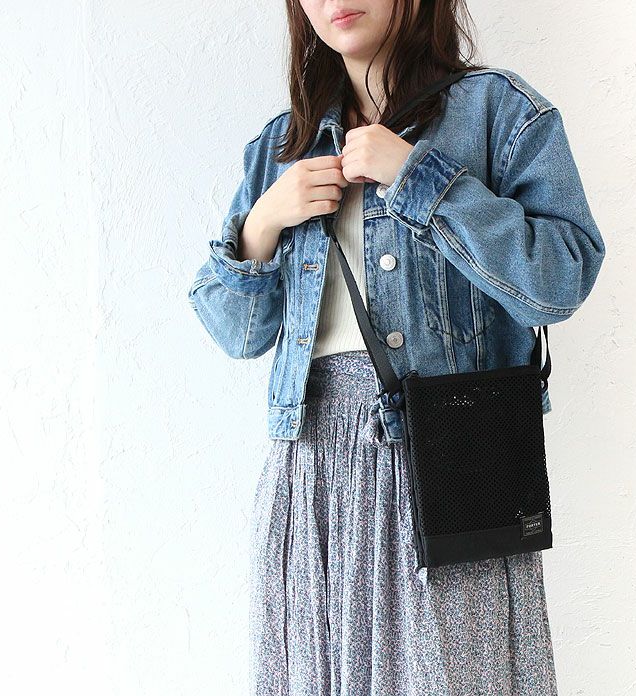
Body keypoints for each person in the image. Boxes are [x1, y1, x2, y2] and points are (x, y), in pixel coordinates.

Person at [188, 1, 606, 693]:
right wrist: (262, 222)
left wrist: (420, 178)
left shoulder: (497, 111)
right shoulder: (282, 147)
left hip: (447, 461)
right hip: (312, 472)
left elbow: (560, 281)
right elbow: (237, 332)